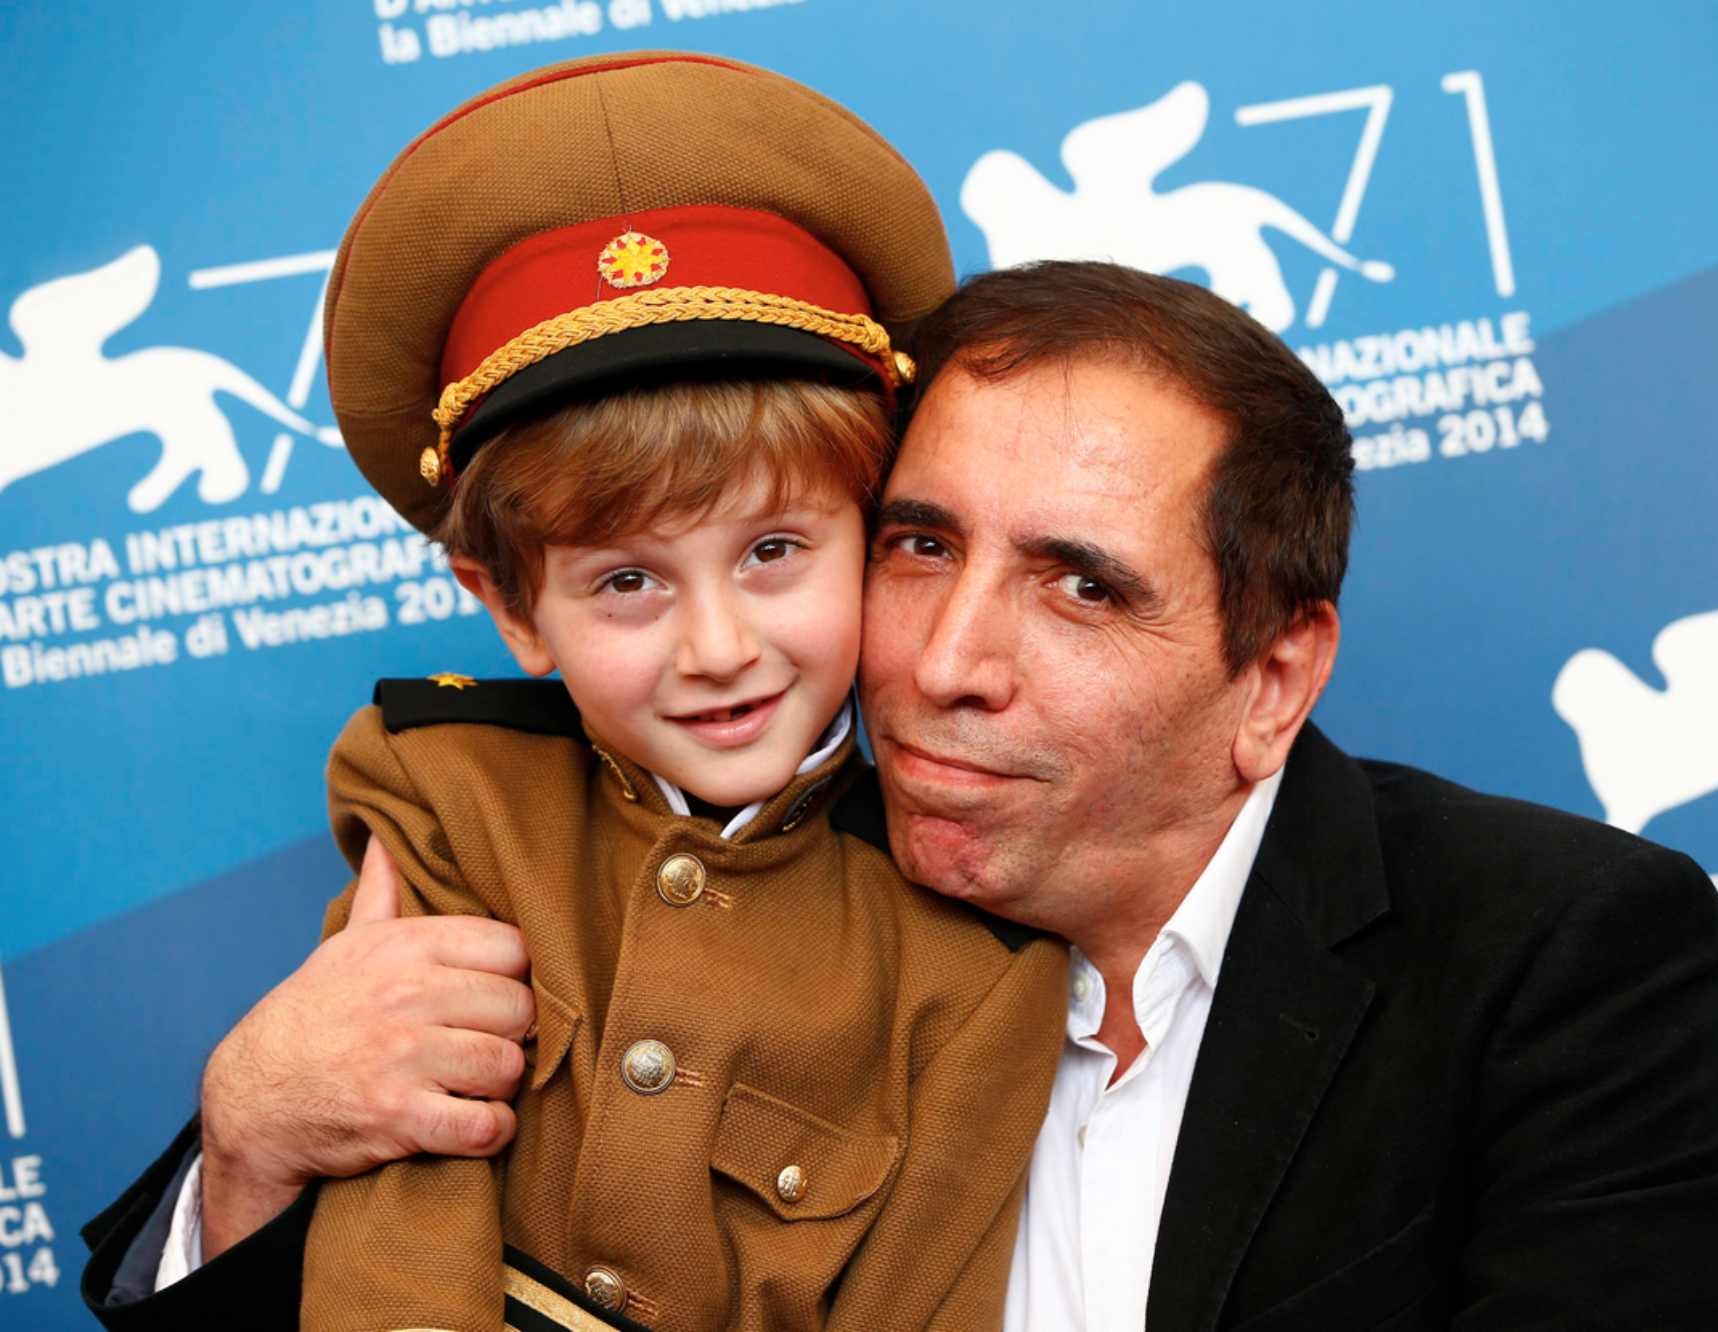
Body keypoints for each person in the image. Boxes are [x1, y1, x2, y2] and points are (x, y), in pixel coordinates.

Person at [83, 240, 1718, 1331]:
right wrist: (250, 1140)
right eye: (913, 544)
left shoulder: (1544, 959)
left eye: (1077, 584)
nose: (946, 658)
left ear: (1270, 673)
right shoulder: (700, 828)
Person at [91, 51, 1075, 1332]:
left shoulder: (978, 955)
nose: (717, 646)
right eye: (627, 582)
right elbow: (396, 1201)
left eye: (774, 552)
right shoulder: (447, 794)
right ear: (511, 608)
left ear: (879, 536)